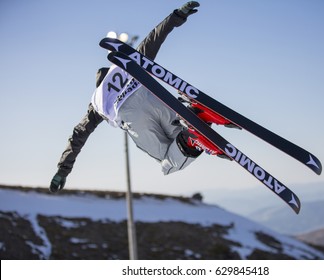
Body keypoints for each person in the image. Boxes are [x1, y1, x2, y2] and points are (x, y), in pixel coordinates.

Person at [50, 1, 225, 193]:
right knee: (180, 131)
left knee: (168, 162)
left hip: (135, 120)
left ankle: (192, 140)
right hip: (155, 101)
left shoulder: (97, 102)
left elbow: (78, 135)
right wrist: (176, 16)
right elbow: (153, 39)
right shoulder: (125, 66)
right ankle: (197, 116)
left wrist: (63, 170)